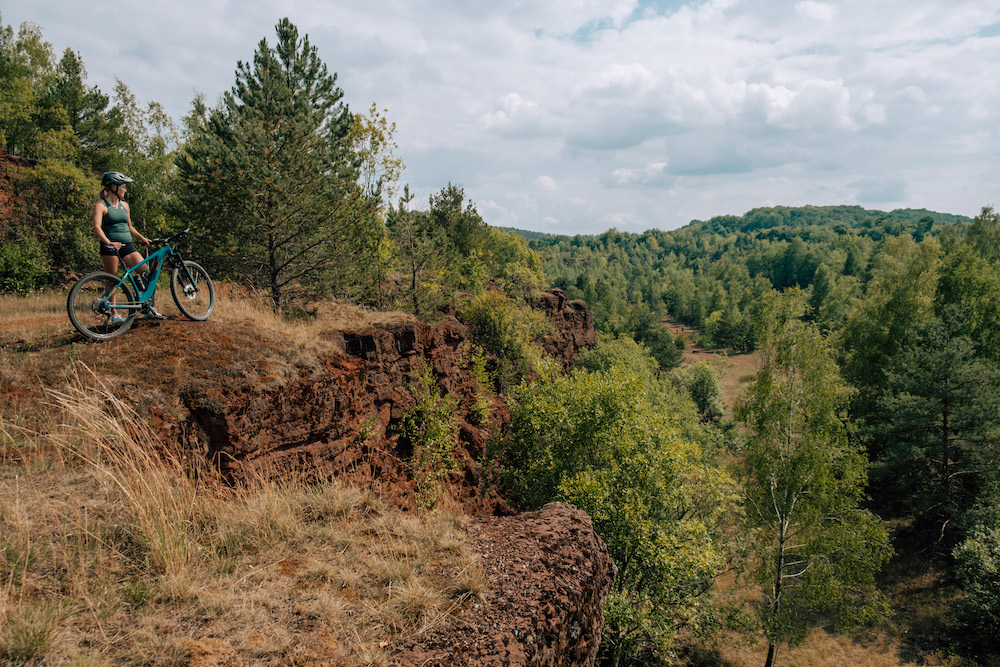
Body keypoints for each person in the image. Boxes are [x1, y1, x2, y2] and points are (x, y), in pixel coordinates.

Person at [92, 171, 164, 320]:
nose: (125, 190)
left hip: (127, 245)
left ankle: (146, 307)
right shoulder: (101, 205)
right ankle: (114, 314)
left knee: (145, 273)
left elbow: (130, 227)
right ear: (113, 187)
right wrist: (109, 243)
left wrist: (142, 237)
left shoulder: (125, 205)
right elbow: (97, 228)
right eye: (123, 187)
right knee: (112, 279)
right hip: (110, 247)